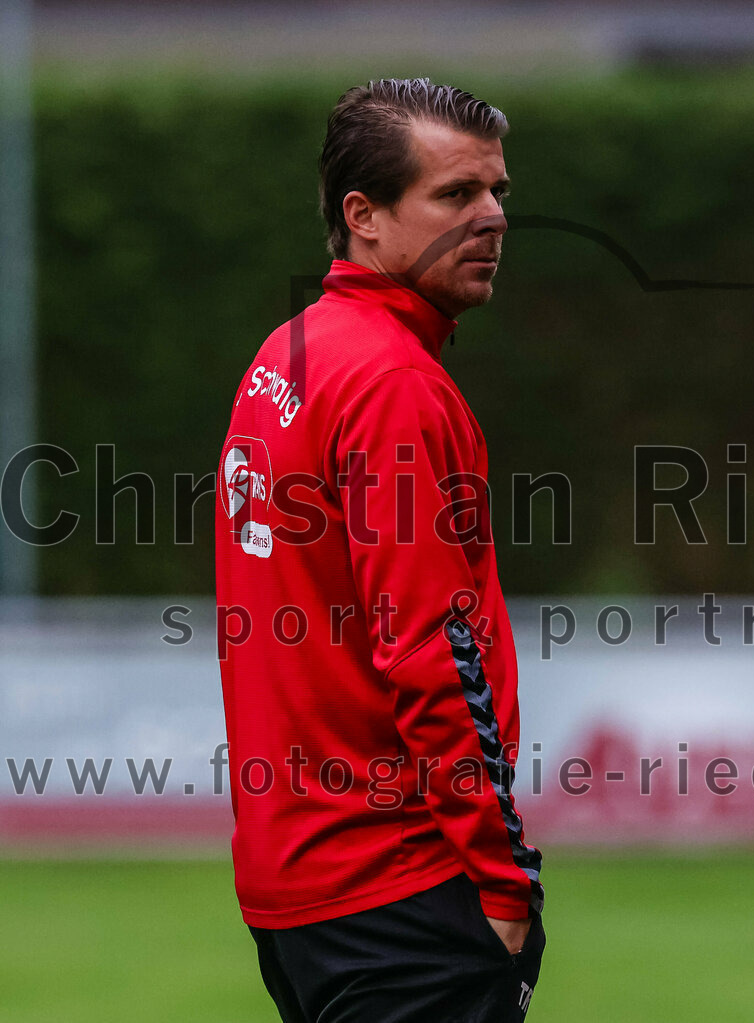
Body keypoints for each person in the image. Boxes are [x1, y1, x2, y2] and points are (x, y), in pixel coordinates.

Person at [215, 78, 544, 1023]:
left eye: (497, 193)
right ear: (362, 215)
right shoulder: (394, 381)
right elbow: (431, 649)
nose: (491, 218)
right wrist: (505, 877)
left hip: (299, 881)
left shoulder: (290, 353)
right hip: (398, 880)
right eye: (454, 196)